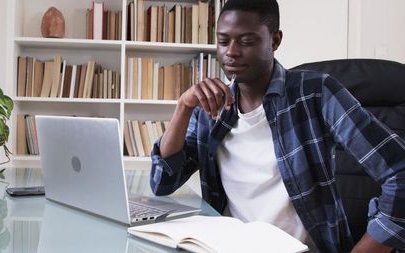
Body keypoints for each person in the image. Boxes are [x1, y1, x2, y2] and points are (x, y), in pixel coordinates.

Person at [149, 0, 405, 252]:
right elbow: (163, 183)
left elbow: (400, 173)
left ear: (275, 40)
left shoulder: (315, 93)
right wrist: (183, 106)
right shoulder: (211, 108)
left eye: (246, 41)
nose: (231, 52)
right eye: (223, 41)